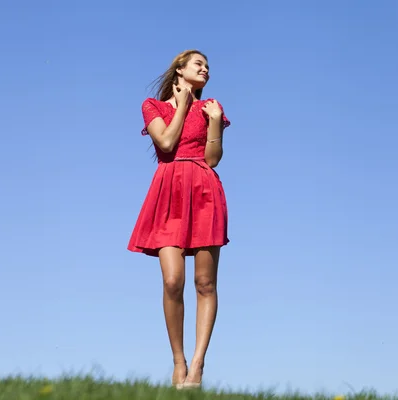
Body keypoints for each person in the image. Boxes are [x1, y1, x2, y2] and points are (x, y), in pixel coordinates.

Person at [127, 49, 231, 390]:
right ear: (180, 71)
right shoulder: (152, 107)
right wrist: (184, 105)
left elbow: (213, 159)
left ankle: (198, 365)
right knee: (173, 281)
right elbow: (167, 142)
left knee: (205, 284)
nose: (206, 70)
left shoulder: (212, 107)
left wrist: (213, 119)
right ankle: (178, 361)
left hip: (204, 192)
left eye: (208, 67)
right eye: (199, 65)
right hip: (169, 192)